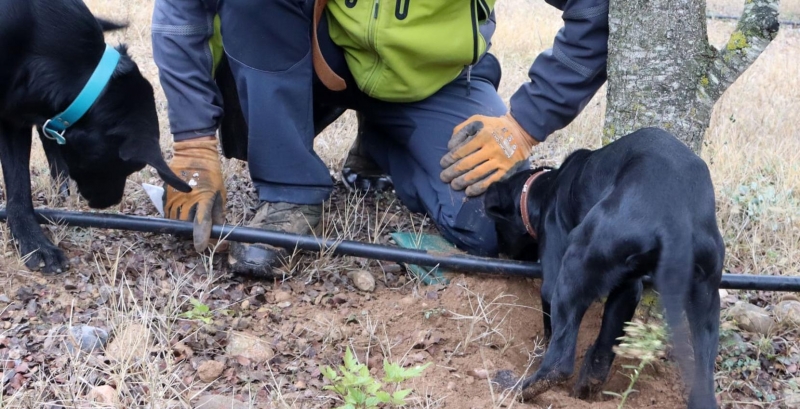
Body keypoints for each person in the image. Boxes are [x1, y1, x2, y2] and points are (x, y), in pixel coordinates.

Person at [151, 0, 609, 277]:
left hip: (432, 82)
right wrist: (193, 142)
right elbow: (181, 11)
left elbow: (597, 8)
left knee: (493, 219)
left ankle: (384, 141)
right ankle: (289, 191)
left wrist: (522, 126)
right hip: (316, 57)